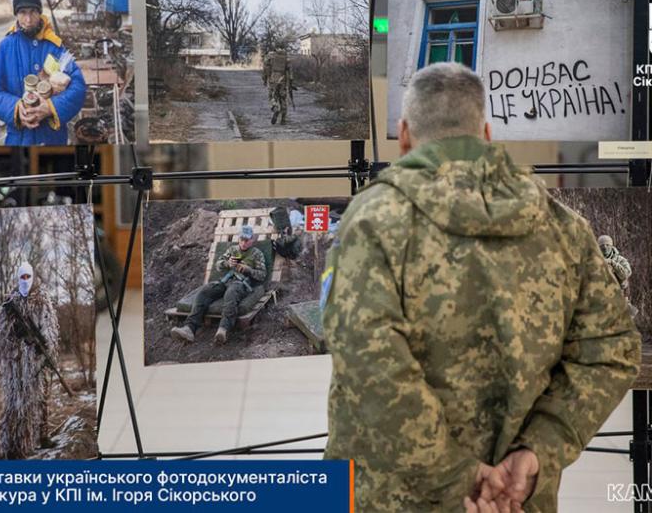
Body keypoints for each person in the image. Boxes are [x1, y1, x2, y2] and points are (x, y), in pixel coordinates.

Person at [321, 62, 641, 512]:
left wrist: (461, 480)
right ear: (487, 135)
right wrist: (537, 454)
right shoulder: (564, 228)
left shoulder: (372, 221)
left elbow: (370, 369)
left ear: (404, 135)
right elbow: (612, 349)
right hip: (516, 501)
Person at [0, 0, 86, 146]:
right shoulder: (6, 46)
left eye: (33, 11)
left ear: (40, 11)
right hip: (18, 140)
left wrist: (50, 108)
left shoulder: (55, 46)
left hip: (53, 140)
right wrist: (16, 108)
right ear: (16, 14)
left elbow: (78, 87)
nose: (28, 19)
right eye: (22, 12)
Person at [0, 262, 60, 459]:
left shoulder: (42, 300)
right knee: (17, 403)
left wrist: (43, 346)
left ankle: (43, 437)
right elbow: (2, 335)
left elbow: (49, 328)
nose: (25, 281)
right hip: (16, 364)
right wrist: (18, 343)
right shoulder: (9, 304)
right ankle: (16, 444)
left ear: (32, 277)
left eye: (27, 277)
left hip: (37, 361)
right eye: (21, 277)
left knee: (41, 398)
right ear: (17, 278)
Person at [171, 225, 267, 345]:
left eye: (247, 240)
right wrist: (227, 263)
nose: (243, 242)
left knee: (231, 293)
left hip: (241, 284)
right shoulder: (232, 250)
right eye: (241, 239)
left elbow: (262, 275)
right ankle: (189, 328)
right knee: (205, 291)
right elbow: (218, 264)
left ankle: (223, 330)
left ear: (252, 240)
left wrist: (249, 270)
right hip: (225, 281)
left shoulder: (256, 254)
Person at [599, 235, 638, 318]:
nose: (605, 247)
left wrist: (613, 264)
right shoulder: (594, 260)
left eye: (607, 245)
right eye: (602, 246)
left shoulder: (620, 260)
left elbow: (626, 274)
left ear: (612, 246)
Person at [262, 49, 292, 125]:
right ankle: (283, 119)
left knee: (272, 96)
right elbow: (290, 71)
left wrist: (265, 80)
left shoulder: (270, 56)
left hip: (273, 80)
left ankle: (275, 108)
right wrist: (290, 83)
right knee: (283, 98)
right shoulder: (286, 57)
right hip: (283, 80)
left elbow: (266, 69)